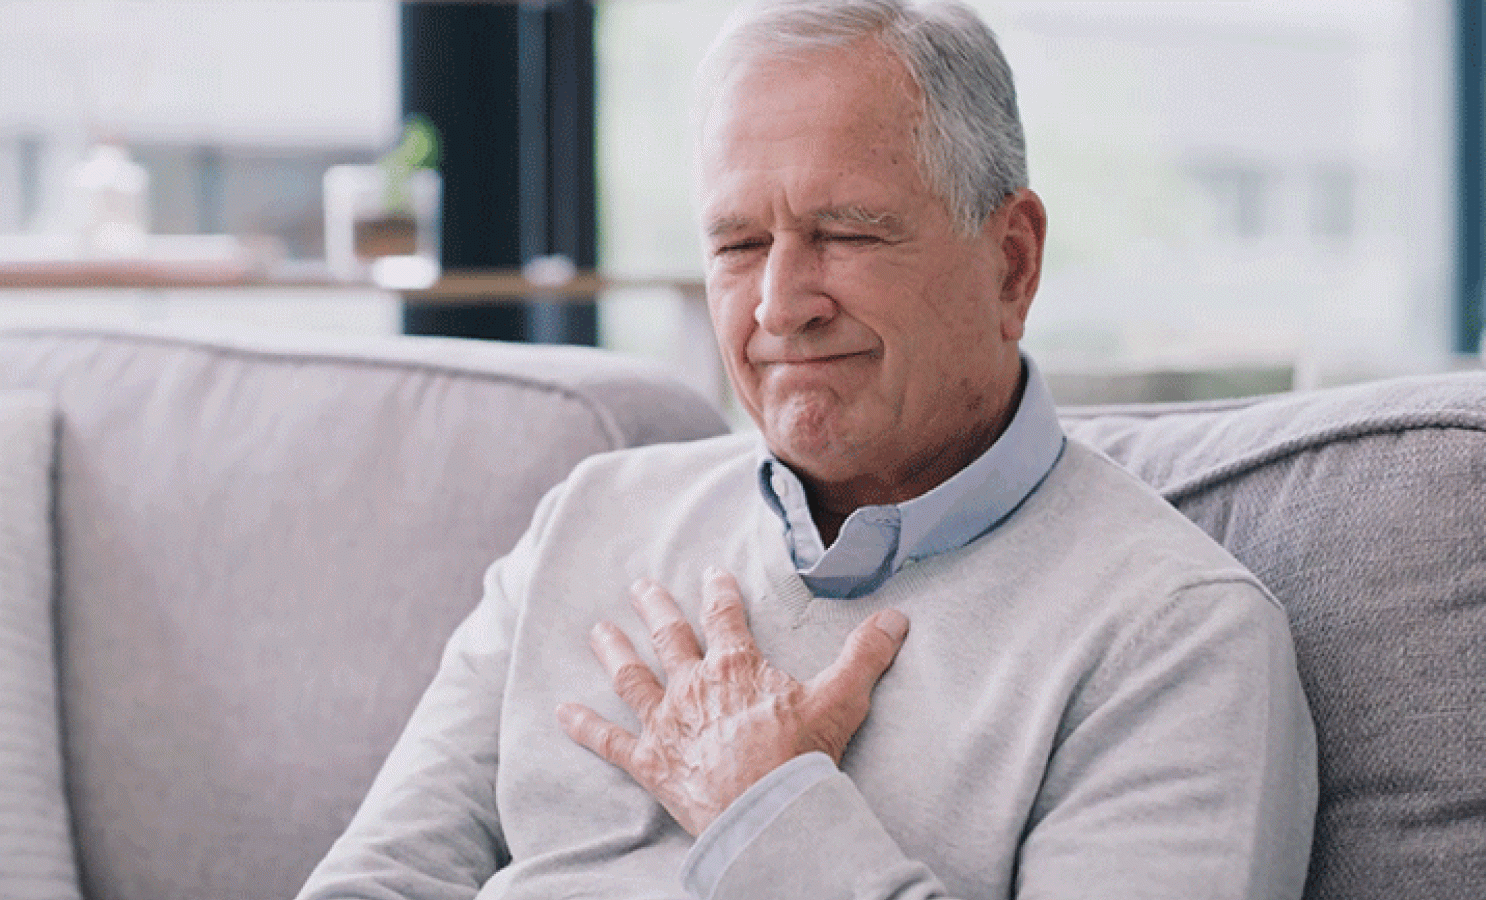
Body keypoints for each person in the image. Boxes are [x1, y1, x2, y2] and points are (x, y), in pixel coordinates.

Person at [297, 1, 1318, 898]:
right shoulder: (590, 518)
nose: (780, 306)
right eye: (739, 245)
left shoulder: (1174, 641)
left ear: (1011, 264)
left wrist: (767, 814)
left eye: (848, 233)